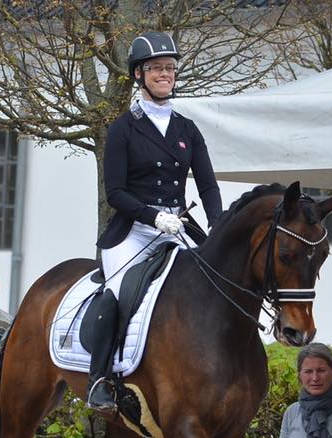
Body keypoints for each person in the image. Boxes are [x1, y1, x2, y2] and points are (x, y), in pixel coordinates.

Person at [88, 31, 223, 412]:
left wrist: (219, 227)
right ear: (138, 74)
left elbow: (209, 186)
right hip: (134, 230)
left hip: (177, 228)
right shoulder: (122, 128)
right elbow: (115, 193)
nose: (165, 74)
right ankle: (99, 379)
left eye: (170, 68)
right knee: (115, 293)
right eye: (156, 68)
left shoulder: (187, 129)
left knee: (214, 282)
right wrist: (153, 216)